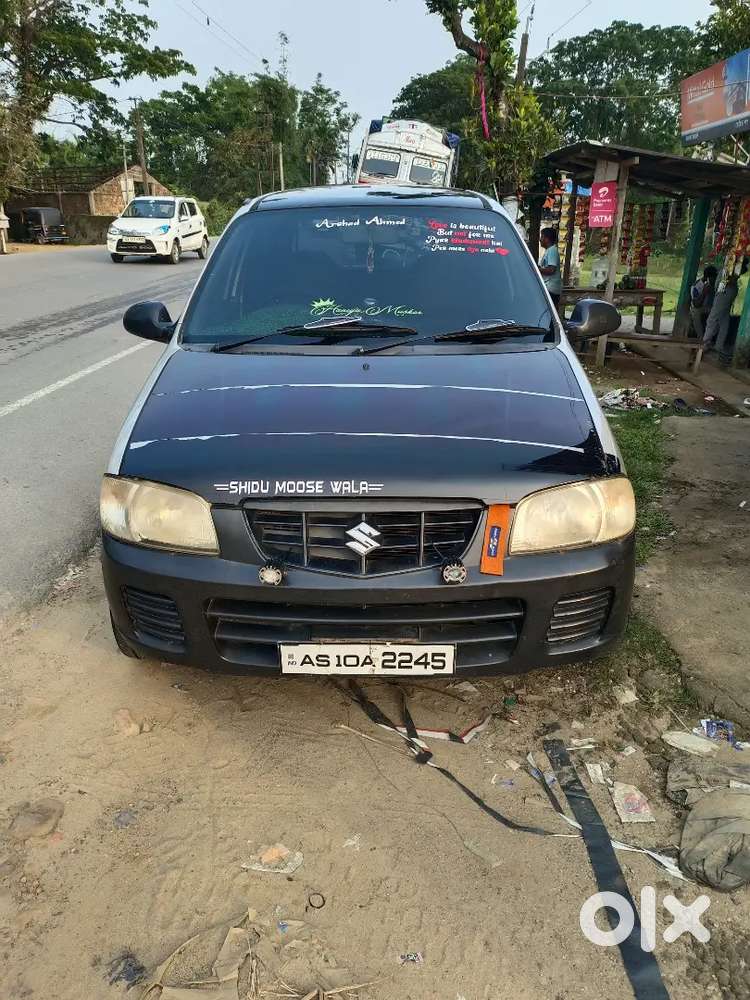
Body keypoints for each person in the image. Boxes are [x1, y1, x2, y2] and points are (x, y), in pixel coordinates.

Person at [703, 272, 739, 362]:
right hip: (728, 289)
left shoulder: (731, 265)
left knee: (712, 320)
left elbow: (734, 274)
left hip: (725, 289)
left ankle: (703, 346)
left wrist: (730, 279)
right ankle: (718, 346)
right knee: (724, 320)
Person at [690, 265, 718, 339]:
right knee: (695, 312)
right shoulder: (696, 286)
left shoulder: (715, 285)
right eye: (714, 278)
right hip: (701, 307)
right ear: (708, 278)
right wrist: (704, 293)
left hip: (711, 307)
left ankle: (711, 337)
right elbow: (696, 305)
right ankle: (700, 337)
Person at [538, 227, 562, 308]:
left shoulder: (552, 250)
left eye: (542, 237)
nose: (540, 240)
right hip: (549, 288)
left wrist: (537, 270)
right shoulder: (549, 250)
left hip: (551, 289)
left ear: (547, 239)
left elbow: (551, 270)